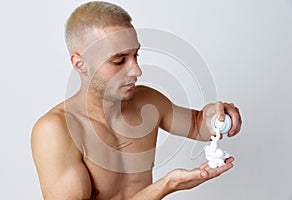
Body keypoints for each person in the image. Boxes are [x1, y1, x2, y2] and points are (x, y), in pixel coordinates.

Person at [31, 1, 242, 200]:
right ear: (80, 64)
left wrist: (217, 118)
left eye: (135, 56)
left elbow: (197, 125)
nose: (136, 71)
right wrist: (166, 186)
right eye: (119, 60)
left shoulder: (147, 101)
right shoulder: (56, 130)